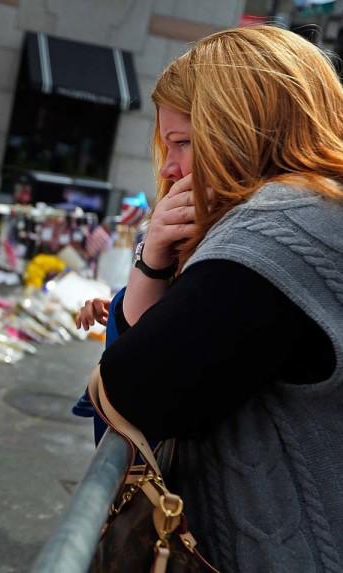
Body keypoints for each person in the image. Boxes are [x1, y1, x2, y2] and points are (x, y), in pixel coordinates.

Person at [92, 25, 343, 571]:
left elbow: (127, 398)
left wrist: (151, 262)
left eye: (184, 142)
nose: (169, 167)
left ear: (245, 132)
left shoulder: (279, 226)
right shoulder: (323, 216)